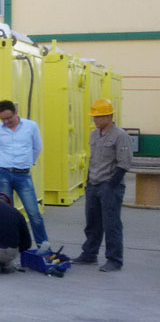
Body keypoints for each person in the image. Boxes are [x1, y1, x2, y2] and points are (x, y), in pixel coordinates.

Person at [72, 99, 133, 272]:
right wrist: (88, 182)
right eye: (94, 117)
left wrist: (111, 186)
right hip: (94, 184)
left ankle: (114, 259)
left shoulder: (120, 136)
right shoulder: (94, 135)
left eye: (98, 117)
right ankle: (89, 254)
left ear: (108, 116)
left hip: (109, 186)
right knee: (92, 223)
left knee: (111, 224)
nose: (95, 120)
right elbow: (93, 160)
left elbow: (124, 163)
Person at [0, 100, 49, 250]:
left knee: (33, 212)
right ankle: (8, 247)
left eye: (9, 118)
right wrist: (7, 162)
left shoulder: (31, 126)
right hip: (2, 172)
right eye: (3, 119)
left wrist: (27, 162)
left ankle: (44, 247)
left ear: (16, 113)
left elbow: (37, 147)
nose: (6, 122)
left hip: (23, 174)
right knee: (5, 212)